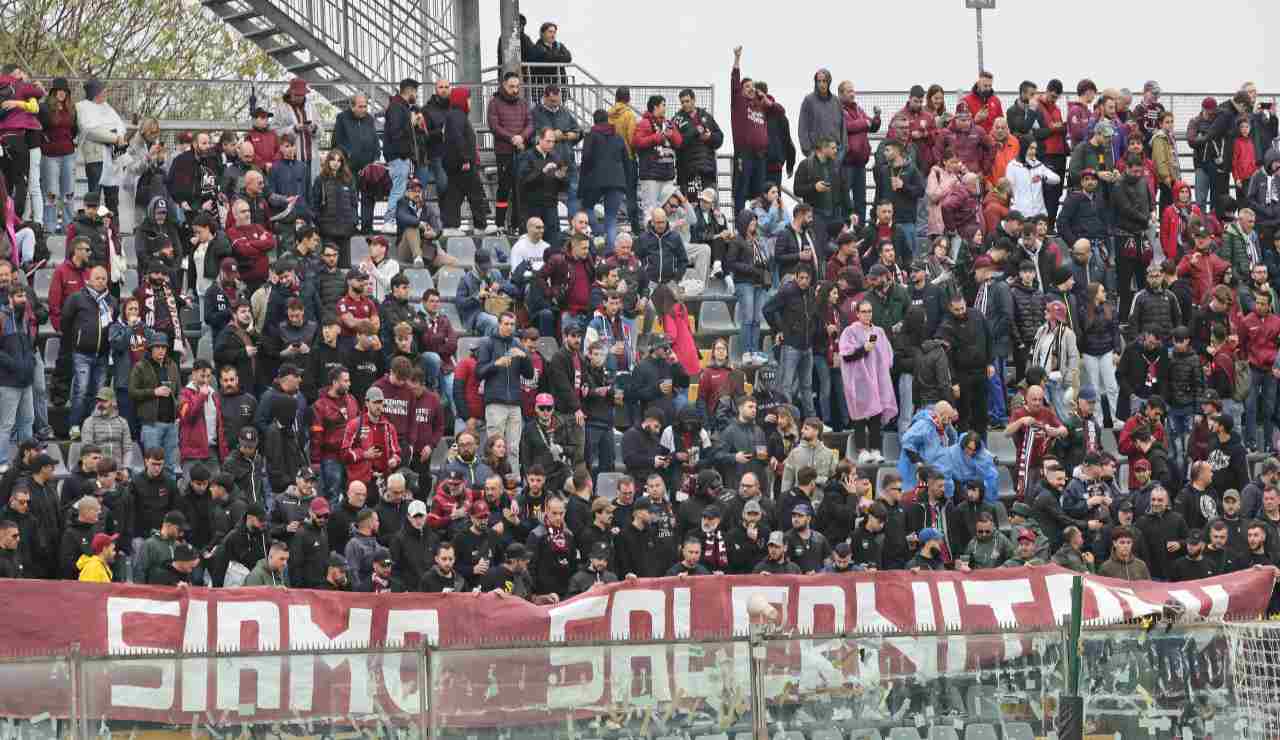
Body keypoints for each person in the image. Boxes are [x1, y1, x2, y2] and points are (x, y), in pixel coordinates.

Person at [310, 149, 359, 268]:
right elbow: (314, 204)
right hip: (327, 229)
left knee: (344, 266)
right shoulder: (320, 180)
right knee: (328, 266)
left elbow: (354, 203)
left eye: (339, 160)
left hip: (345, 229)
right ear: (328, 161)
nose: (335, 163)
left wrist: (353, 221)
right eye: (333, 160)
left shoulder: (349, 179)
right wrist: (319, 222)